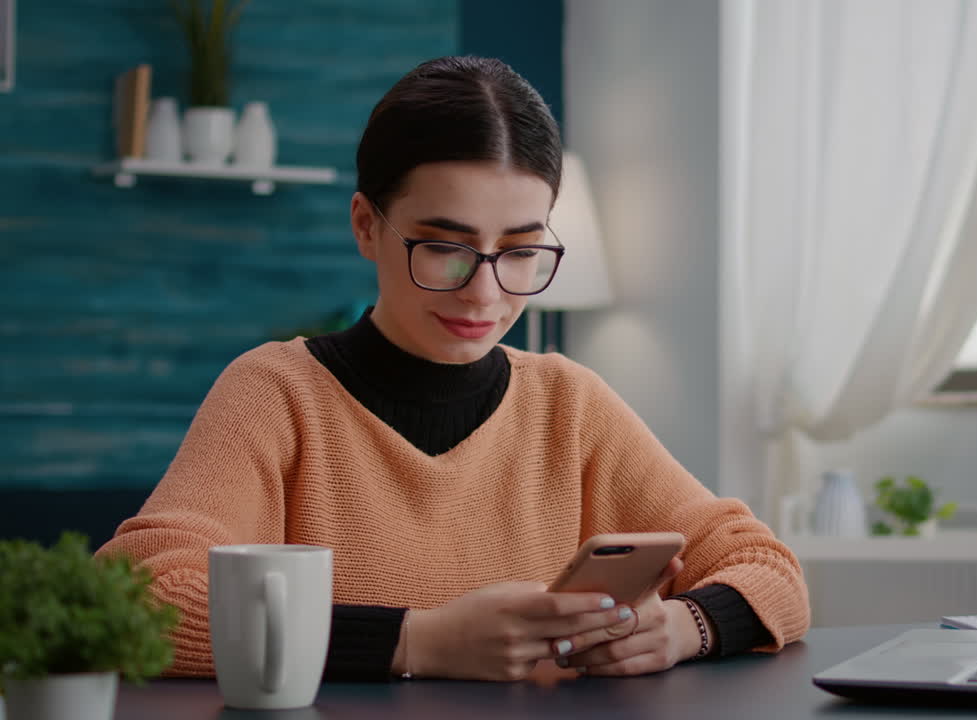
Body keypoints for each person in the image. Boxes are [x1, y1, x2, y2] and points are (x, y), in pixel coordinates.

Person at [97, 56, 810, 682]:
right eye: (446, 247)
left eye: (523, 251)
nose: (486, 292)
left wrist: (684, 628)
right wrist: (419, 641)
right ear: (366, 226)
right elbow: (131, 596)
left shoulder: (571, 404)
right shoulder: (276, 394)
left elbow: (768, 567)